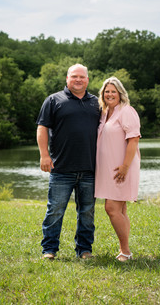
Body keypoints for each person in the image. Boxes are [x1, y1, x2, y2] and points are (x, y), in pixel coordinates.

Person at [36, 63, 100, 260]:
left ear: (87, 79)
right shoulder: (54, 100)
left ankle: (84, 250)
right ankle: (49, 249)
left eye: (82, 76)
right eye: (74, 76)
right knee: (55, 210)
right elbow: (42, 128)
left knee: (87, 213)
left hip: (90, 169)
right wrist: (44, 155)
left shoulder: (97, 103)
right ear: (67, 79)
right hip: (61, 168)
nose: (78, 80)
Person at [95, 77, 141, 262]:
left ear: (121, 93)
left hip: (122, 167)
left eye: (113, 91)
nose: (110, 94)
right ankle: (125, 250)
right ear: (102, 94)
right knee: (120, 209)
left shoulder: (126, 111)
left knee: (111, 208)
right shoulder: (105, 113)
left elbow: (134, 140)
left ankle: (126, 251)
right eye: (107, 91)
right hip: (109, 169)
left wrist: (124, 167)